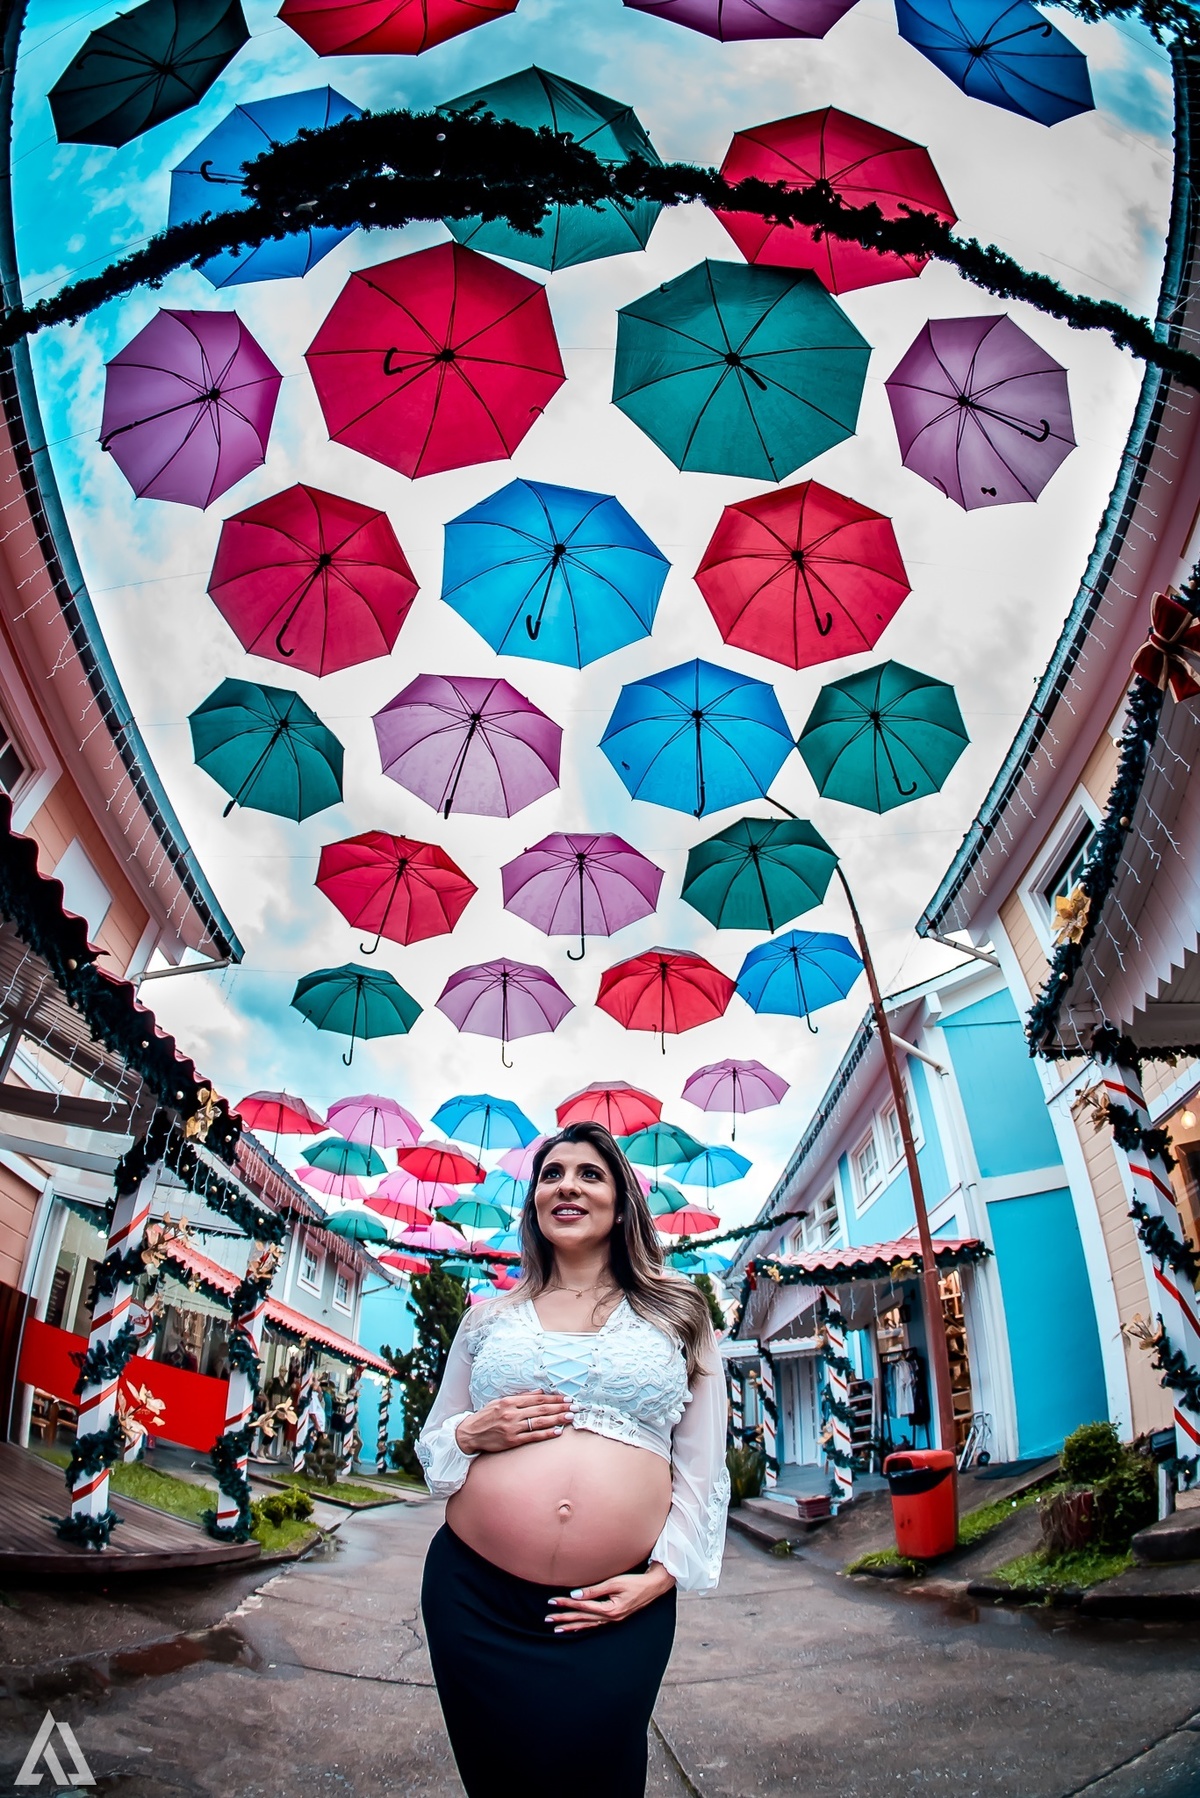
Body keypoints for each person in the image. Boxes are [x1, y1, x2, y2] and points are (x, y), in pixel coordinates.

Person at [417, 1122, 730, 1798]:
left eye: (590, 1173)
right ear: (534, 1202)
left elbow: (703, 1469)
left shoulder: (679, 1313)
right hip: (474, 1599)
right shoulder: (488, 1319)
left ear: (622, 1201)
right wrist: (474, 1431)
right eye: (552, 1174)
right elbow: (435, 1445)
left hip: (616, 1607)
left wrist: (662, 1577)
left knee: (601, 1781)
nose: (567, 1185)